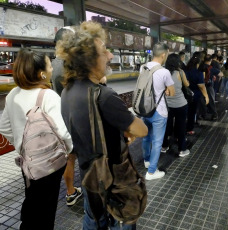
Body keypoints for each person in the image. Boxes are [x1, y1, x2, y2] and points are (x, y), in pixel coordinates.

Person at [57, 21, 147, 230]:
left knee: (94, 220)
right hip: (114, 179)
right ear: (89, 61)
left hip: (89, 175)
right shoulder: (104, 96)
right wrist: (125, 127)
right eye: (104, 51)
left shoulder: (67, 92)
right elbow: (142, 129)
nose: (110, 56)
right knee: (122, 220)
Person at [0, 48, 73, 229]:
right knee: (46, 210)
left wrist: (20, 144)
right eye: (49, 65)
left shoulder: (12, 95)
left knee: (31, 201)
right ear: (41, 73)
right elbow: (63, 133)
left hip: (27, 162)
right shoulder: (48, 96)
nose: (51, 69)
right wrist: (69, 149)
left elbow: (3, 126)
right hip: (49, 163)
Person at [53, 26, 83, 207]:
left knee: (70, 158)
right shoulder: (65, 67)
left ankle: (72, 191)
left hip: (61, 118)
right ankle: (71, 192)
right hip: (70, 120)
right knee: (72, 158)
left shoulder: (52, 64)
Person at [141, 42, 175, 180]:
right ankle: (151, 172)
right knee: (157, 142)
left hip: (145, 109)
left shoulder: (143, 67)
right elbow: (171, 92)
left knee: (146, 137)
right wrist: (165, 90)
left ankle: (147, 160)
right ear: (163, 54)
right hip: (159, 111)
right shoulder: (164, 71)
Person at [161, 53, 190, 157]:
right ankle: (182, 149)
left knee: (166, 126)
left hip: (167, 105)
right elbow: (187, 84)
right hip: (181, 104)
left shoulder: (163, 73)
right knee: (181, 126)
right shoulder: (180, 72)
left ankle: (164, 146)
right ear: (177, 62)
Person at [185, 56, 209, 132]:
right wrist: (206, 96)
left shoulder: (185, 70)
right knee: (192, 112)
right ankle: (189, 129)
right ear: (198, 64)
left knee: (185, 112)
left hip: (185, 94)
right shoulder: (198, 72)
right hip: (194, 95)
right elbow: (201, 86)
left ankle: (181, 129)